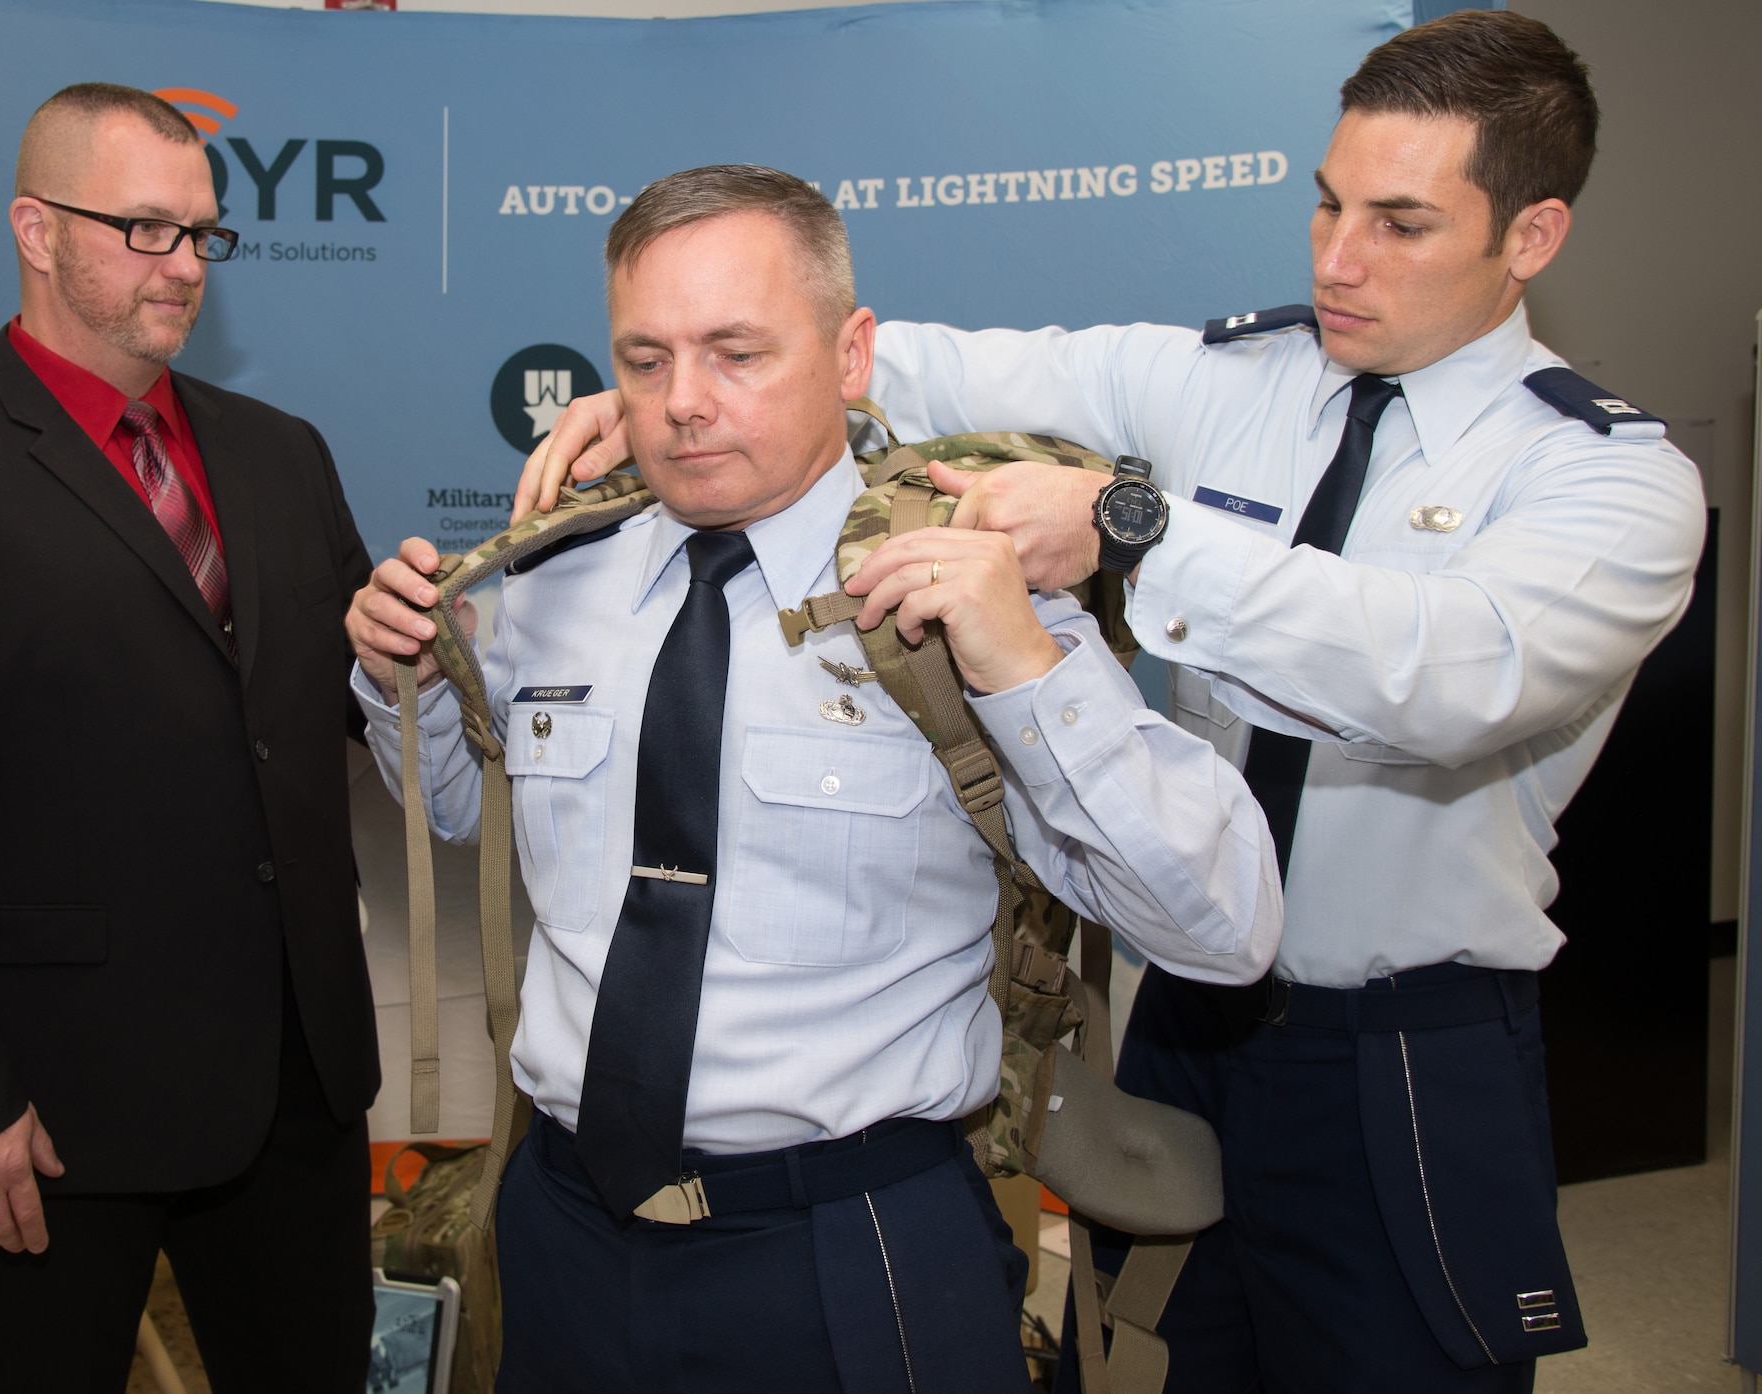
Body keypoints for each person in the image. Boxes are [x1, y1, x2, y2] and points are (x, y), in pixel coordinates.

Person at [513, 14, 1708, 1394]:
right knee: (1155, 1354)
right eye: (1325, 204)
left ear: (1533, 236)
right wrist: (680, 388)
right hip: (1180, 1008)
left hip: (1399, 1045)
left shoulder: (1609, 479)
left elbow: (1446, 673)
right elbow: (898, 359)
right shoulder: (1229, 381)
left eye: (1400, 223)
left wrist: (1135, 528)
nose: (1336, 258)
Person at [347, 163, 1282, 1393]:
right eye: (643, 357)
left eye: (736, 351)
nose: (682, 403)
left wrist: (1024, 672)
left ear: (851, 355)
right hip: (566, 1226)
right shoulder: (556, 576)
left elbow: (1223, 929)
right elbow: (471, 816)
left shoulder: (962, 589)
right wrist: (399, 681)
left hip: (853, 1242)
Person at [0, 84, 379, 1393]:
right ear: (35, 231)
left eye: (204, 234)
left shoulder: (282, 456)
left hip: (294, 1090)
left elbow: (330, 711)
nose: (186, 266)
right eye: (145, 229)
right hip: (41, 1116)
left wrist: (421, 650)